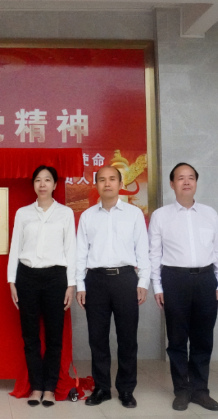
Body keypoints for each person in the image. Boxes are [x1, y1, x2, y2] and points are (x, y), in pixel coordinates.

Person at [148, 163, 218, 411]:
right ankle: (182, 390)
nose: (186, 182)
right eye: (180, 178)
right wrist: (157, 287)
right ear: (172, 184)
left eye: (191, 177)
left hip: (206, 279)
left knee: (203, 339)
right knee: (177, 339)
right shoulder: (161, 216)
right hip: (174, 279)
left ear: (196, 182)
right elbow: (154, 254)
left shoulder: (209, 214)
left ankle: (200, 390)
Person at [75, 165, 149, 409]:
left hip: (125, 279)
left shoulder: (133, 214)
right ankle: (102, 388)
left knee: (127, 338)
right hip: (95, 280)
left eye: (112, 179)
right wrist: (80, 284)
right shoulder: (87, 216)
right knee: (97, 337)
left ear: (120, 184)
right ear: (96, 185)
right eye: (102, 180)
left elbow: (143, 249)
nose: (107, 184)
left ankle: (126, 389)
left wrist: (143, 281)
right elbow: (80, 253)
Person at [7, 165, 76, 407]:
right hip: (27, 277)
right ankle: (36, 387)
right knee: (30, 336)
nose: (43, 184)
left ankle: (50, 388)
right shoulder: (23, 213)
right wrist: (12, 280)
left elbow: (71, 249)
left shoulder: (65, 213)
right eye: (38, 180)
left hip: (56, 278)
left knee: (55, 337)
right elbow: (15, 247)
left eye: (47, 180)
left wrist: (71, 284)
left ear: (55, 184)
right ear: (34, 185)